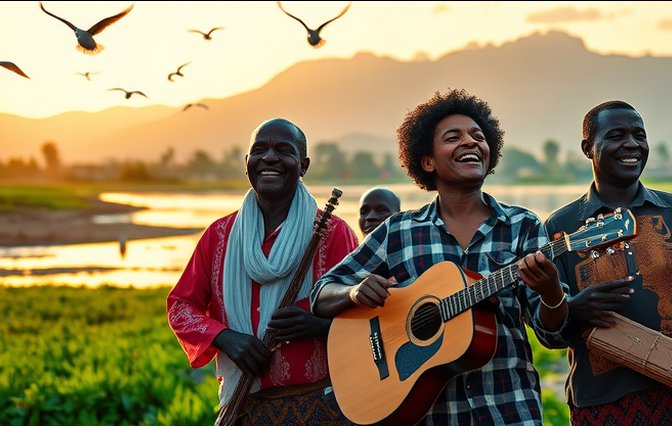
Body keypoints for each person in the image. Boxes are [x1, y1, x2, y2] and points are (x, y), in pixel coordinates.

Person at [309, 89, 569, 425]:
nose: (471, 142)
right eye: (453, 137)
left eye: (478, 136)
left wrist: (551, 292)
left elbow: (553, 335)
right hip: (427, 415)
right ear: (428, 161)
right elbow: (322, 291)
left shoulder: (522, 225)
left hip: (508, 409)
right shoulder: (398, 231)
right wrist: (353, 292)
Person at [541, 100, 672, 425]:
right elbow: (552, 337)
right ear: (588, 148)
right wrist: (572, 308)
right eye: (617, 135)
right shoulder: (560, 226)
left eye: (639, 135)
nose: (632, 144)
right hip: (603, 403)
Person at [166, 118, 359, 423]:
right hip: (243, 408)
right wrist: (226, 337)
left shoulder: (331, 232)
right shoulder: (218, 236)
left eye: (284, 150)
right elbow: (180, 307)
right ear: (247, 163)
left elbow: (365, 315)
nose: (269, 157)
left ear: (303, 165)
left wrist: (318, 326)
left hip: (324, 408)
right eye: (260, 150)